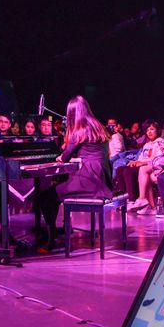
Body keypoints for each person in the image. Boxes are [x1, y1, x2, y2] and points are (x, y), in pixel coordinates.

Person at [36, 96, 113, 249]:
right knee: (55, 193)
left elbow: (65, 157)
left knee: (46, 196)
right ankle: (55, 232)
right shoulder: (98, 126)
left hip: (90, 179)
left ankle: (50, 239)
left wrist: (59, 156)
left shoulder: (79, 131)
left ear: (73, 113)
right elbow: (92, 153)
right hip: (103, 178)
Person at [120, 121, 164, 215]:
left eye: (152, 129)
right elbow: (141, 158)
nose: (149, 132)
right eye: (147, 130)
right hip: (145, 166)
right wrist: (135, 162)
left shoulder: (160, 142)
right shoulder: (147, 144)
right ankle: (124, 200)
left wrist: (142, 163)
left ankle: (133, 200)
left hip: (155, 167)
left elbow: (158, 160)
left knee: (129, 171)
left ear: (157, 130)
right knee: (120, 169)